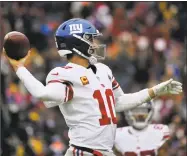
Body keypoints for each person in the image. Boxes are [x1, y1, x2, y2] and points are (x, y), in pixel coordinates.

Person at [4, 18, 182, 156]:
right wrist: (19, 68)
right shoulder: (65, 73)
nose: (96, 44)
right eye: (91, 39)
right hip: (84, 151)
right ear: (77, 43)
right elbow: (42, 93)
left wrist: (154, 91)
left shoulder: (103, 70)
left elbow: (118, 102)